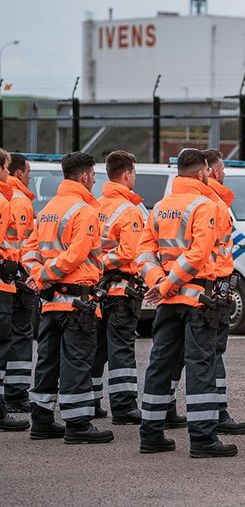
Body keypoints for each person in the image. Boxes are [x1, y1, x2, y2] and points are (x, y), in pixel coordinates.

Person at [137, 148, 236, 458]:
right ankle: (203, 439)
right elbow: (198, 253)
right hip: (199, 299)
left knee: (160, 364)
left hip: (168, 300)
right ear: (201, 173)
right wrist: (167, 283)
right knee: (200, 366)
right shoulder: (206, 206)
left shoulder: (160, 207)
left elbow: (143, 252)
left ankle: (150, 434)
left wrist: (158, 283)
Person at [22, 151, 112, 444]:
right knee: (76, 361)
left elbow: (29, 252)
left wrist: (39, 276)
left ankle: (42, 420)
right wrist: (47, 275)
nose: (95, 181)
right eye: (94, 176)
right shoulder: (84, 211)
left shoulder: (48, 209)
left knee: (48, 359)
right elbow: (77, 254)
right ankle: (77, 424)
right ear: (84, 176)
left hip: (49, 302)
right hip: (76, 302)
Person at [198, 149, 245, 435]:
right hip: (213, 286)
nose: (225, 174)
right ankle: (216, 412)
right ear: (214, 172)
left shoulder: (186, 201)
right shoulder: (215, 203)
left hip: (187, 287)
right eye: (223, 169)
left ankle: (164, 410)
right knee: (212, 352)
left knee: (172, 354)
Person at [92, 150, 146, 425]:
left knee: (97, 348)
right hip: (121, 291)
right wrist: (107, 262)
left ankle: (89, 401)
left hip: (95, 289)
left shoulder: (96, 205)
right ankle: (124, 408)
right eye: (134, 173)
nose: (134, 177)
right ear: (127, 175)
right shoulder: (130, 210)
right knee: (121, 349)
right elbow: (129, 252)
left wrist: (97, 264)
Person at [0, 153, 37, 414]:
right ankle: (16, 394)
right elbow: (24, 244)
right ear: (19, 174)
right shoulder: (19, 201)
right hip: (16, 277)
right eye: (29, 173)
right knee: (19, 335)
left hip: (9, 275)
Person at [0, 148, 26, 432]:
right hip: (3, 284)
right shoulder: (4, 202)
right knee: (3, 342)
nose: (8, 175)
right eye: (6, 169)